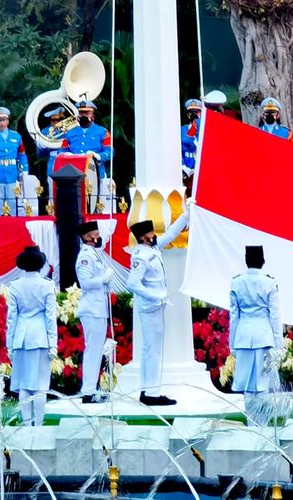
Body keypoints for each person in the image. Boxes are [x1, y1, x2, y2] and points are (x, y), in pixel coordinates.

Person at [126, 207, 191, 406]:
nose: (155, 236)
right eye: (151, 234)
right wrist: (155, 296)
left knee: (151, 349)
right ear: (143, 237)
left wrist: (186, 214)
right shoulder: (141, 256)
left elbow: (171, 233)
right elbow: (132, 284)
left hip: (155, 305)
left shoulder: (152, 249)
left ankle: (148, 389)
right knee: (152, 350)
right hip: (150, 307)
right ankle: (152, 392)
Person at [229, 245, 283, 426]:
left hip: (244, 337)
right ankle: (263, 426)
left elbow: (234, 316)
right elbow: (275, 316)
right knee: (263, 384)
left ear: (246, 260)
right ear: (263, 261)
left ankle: (253, 425)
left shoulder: (236, 282)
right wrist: (279, 344)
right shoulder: (269, 282)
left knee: (247, 386)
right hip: (263, 336)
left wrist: (232, 343)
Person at [6, 246, 58, 426]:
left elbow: (11, 318)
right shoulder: (47, 285)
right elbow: (50, 317)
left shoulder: (15, 286)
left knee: (24, 384)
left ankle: (27, 425)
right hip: (40, 337)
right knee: (40, 385)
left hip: (21, 337)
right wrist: (54, 344)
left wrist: (9, 344)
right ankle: (39, 425)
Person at [75, 220, 114, 404]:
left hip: (98, 308)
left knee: (97, 350)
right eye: (96, 235)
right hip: (91, 308)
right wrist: (103, 278)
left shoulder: (94, 254)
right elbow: (86, 283)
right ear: (87, 237)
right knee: (93, 350)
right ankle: (88, 391)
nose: (98, 238)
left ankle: (92, 388)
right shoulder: (85, 256)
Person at [59, 100, 113, 180]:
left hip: (96, 174)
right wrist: (66, 155)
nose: (83, 115)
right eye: (81, 113)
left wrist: (97, 156)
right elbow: (61, 151)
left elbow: (110, 152)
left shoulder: (103, 132)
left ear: (93, 116)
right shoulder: (69, 133)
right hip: (74, 174)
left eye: (87, 113)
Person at [38, 106, 68, 180]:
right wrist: (41, 147)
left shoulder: (68, 129)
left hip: (67, 159)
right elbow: (40, 154)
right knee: (52, 186)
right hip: (53, 160)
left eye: (58, 120)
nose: (55, 122)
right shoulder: (45, 131)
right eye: (53, 120)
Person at [181, 98, 202, 196]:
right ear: (187, 114)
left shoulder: (206, 130)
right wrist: (183, 168)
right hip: (187, 173)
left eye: (196, 112)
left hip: (203, 173)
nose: (194, 115)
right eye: (191, 112)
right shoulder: (181, 130)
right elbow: (177, 151)